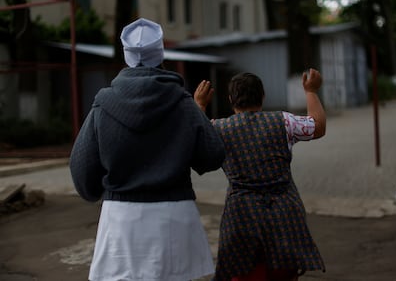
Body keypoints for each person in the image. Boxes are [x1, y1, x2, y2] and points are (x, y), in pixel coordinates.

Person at [69, 18, 225, 281]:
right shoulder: (183, 103)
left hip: (121, 221)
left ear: (127, 57)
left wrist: (95, 190)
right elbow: (212, 155)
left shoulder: (102, 106)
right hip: (174, 218)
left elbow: (82, 171)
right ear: (160, 54)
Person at [194, 69, 326, 281]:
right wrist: (310, 91)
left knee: (245, 273)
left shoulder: (217, 128)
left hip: (241, 217)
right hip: (284, 213)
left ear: (230, 100)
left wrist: (199, 106)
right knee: (283, 275)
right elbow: (318, 126)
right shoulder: (284, 121)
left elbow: (194, 139)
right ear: (263, 96)